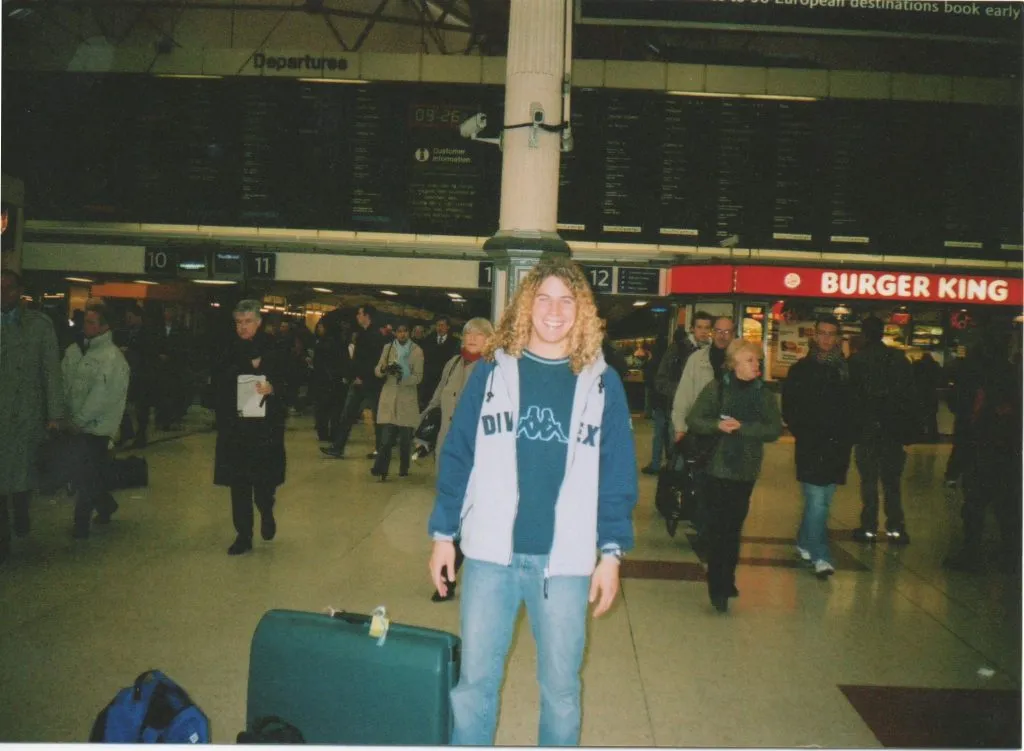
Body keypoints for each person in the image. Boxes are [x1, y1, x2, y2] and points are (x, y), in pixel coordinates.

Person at [427, 257, 637, 746]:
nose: (554, 311)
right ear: (527, 305)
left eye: (566, 300)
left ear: (582, 310)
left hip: (563, 564)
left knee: (561, 691)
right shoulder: (491, 373)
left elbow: (617, 475)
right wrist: (443, 534)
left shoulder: (602, 382)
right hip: (489, 559)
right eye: (543, 298)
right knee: (474, 686)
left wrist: (611, 554)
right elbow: (458, 454)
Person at [685, 339, 782, 613]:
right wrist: (717, 425)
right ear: (733, 364)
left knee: (733, 527)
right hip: (717, 468)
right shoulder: (716, 389)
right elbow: (695, 420)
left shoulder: (764, 395)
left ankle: (727, 578)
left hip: (745, 470)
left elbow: (774, 429)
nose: (756, 365)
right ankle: (718, 586)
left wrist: (743, 428)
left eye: (757, 360)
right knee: (719, 528)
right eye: (750, 360)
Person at [419, 316, 494, 602]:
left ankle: (449, 578)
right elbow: (437, 399)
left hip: (478, 454)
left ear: (490, 340)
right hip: (448, 449)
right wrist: (423, 431)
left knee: (470, 520)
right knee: (455, 514)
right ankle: (449, 573)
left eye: (479, 334)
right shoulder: (452, 364)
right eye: (468, 334)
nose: (471, 338)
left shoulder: (494, 369)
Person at [942, 327, 1022, 572]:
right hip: (1007, 450)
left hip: (982, 448)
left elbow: (963, 411)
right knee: (1006, 505)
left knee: (975, 504)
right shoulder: (1013, 375)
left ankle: (971, 553)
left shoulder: (975, 376)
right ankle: (1011, 553)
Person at [781, 316, 854, 580]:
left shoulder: (846, 371)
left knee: (823, 501)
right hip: (811, 446)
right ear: (814, 335)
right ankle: (821, 555)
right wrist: (803, 430)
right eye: (821, 333)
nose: (825, 338)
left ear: (838, 338)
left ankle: (804, 540)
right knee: (817, 501)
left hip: (837, 448)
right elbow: (789, 406)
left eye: (831, 334)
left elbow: (855, 407)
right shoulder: (801, 370)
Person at [212, 300, 287, 556]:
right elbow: (218, 380)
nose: (242, 327)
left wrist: (273, 387)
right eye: (238, 322)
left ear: (258, 322)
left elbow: (291, 378)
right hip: (236, 427)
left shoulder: (275, 347)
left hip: (266, 428)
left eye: (247, 322)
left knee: (264, 483)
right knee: (239, 482)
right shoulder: (228, 348)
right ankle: (243, 534)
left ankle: (266, 510)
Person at [0, 270, 64, 562]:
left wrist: (54, 414)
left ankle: (22, 508)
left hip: (25, 413)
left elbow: (51, 372)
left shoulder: (39, 326)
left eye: (8, 288)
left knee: (21, 474)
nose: (3, 294)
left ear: (20, 291)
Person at [60, 299, 131, 539]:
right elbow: (63, 384)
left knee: (86, 475)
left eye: (92, 322)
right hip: (74, 424)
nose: (86, 326)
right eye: (86, 321)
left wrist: (78, 421)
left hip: (98, 428)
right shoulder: (74, 351)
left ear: (104, 327)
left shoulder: (112, 359)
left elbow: (101, 397)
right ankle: (106, 504)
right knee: (84, 473)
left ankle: (81, 525)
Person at [848, 316, 917, 545]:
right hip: (892, 431)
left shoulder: (857, 361)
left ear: (865, 334)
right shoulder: (898, 359)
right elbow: (910, 395)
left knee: (868, 481)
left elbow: (851, 398)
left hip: (867, 430)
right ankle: (896, 528)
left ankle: (868, 527)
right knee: (892, 483)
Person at [670, 316, 735, 543]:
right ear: (712, 333)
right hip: (702, 431)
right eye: (718, 331)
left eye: (727, 331)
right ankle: (704, 528)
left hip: (731, 435)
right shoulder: (697, 360)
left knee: (725, 486)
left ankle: (717, 528)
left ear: (734, 333)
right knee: (702, 483)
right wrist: (680, 427)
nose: (722, 336)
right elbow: (684, 394)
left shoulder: (740, 359)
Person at [320, 305, 384, 460]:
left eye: (360, 314)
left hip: (371, 383)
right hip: (359, 381)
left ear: (367, 316)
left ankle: (381, 450)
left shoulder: (375, 336)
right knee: (347, 415)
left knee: (376, 417)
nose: (357, 316)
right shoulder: (363, 334)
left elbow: (373, 360)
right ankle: (337, 447)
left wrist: (361, 376)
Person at [370, 322, 424, 481]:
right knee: (386, 439)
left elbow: (418, 377)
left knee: (405, 439)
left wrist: (403, 377)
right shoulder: (388, 348)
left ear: (409, 333)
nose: (402, 334)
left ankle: (404, 467)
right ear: (395, 333)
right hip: (389, 396)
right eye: (399, 331)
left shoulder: (417, 351)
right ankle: (381, 469)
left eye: (405, 331)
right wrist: (384, 370)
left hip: (406, 398)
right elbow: (377, 369)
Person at [311, 318, 349, 443]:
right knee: (336, 410)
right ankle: (334, 434)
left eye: (321, 327)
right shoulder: (341, 343)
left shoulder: (320, 344)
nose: (319, 329)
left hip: (322, 381)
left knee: (322, 410)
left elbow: (317, 363)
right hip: (337, 381)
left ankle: (323, 434)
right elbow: (345, 362)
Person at [640, 334, 668, 474]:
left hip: (659, 401)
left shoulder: (654, 360)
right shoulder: (669, 358)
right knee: (668, 434)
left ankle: (656, 463)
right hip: (669, 401)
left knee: (658, 434)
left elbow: (649, 378)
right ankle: (670, 462)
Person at [420, 316, 460, 410]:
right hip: (428, 379)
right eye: (438, 325)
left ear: (448, 327)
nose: (440, 328)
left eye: (442, 325)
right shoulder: (428, 340)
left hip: (444, 378)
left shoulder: (455, 342)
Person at [912, 352, 942, 443]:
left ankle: (919, 435)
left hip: (920, 394)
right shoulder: (935, 366)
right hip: (931, 394)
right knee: (932, 417)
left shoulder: (918, 366)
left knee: (920, 416)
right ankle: (933, 436)